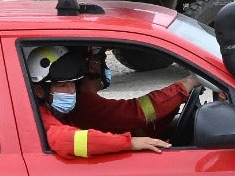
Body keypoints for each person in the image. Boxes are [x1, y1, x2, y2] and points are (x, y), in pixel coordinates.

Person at [25, 45, 185, 158]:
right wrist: (129, 144)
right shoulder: (41, 118)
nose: (71, 91)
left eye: (73, 84)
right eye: (62, 85)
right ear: (39, 90)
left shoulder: (59, 111)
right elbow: (67, 141)